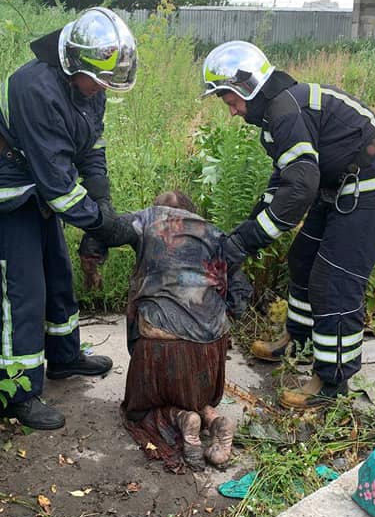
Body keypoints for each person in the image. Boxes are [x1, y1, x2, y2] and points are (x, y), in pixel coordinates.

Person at [201, 41, 375, 409]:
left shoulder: (285, 111)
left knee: (334, 281)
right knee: (302, 259)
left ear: (249, 87)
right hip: (338, 183)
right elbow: (286, 180)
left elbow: (299, 189)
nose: (232, 111)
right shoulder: (275, 113)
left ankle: (332, 384)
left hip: (373, 185)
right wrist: (247, 229)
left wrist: (248, 241)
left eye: (231, 100)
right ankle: (298, 340)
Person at [0, 7, 139, 431]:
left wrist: (103, 204)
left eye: (106, 84)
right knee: (23, 291)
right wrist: (107, 228)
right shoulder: (37, 90)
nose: (101, 90)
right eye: (97, 81)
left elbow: (91, 149)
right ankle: (18, 394)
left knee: (58, 274)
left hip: (37, 183)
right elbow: (61, 189)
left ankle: (64, 358)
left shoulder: (86, 91)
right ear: (72, 63)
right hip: (6, 189)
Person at [83, 191, 251, 471]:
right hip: (209, 352)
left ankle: (180, 419)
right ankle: (211, 417)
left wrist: (91, 265)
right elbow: (241, 291)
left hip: (160, 347)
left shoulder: (146, 220)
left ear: (156, 207)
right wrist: (217, 322)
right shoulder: (215, 234)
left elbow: (102, 227)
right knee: (200, 394)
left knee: (138, 410)